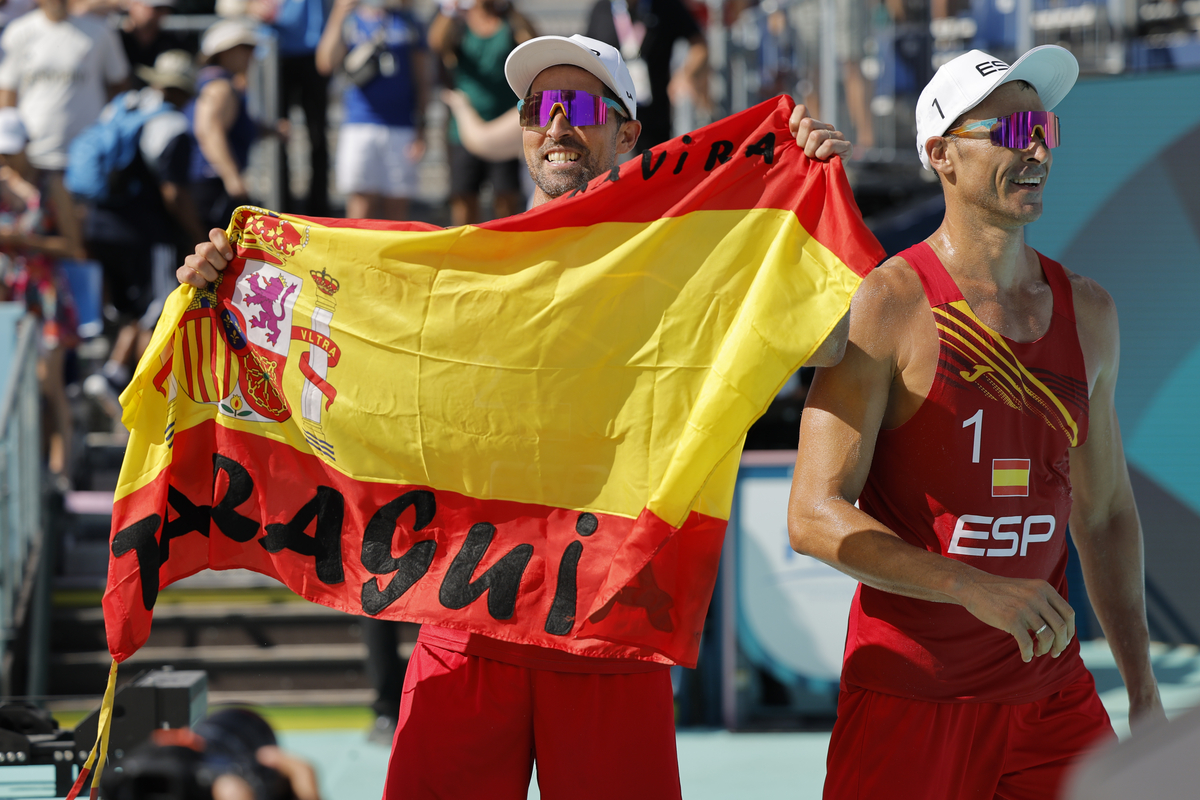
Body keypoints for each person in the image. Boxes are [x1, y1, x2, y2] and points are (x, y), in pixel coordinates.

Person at [177, 33, 853, 800]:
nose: (558, 125)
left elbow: (829, 345)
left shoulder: (691, 267)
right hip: (467, 617)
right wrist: (228, 283)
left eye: (583, 107)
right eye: (541, 107)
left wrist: (816, 191)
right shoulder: (458, 267)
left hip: (606, 629)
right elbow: (328, 334)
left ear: (628, 133)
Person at [786, 46, 1165, 799]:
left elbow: (1104, 513)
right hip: (910, 697)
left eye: (1043, 127)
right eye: (1011, 127)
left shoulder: (1089, 311)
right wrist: (972, 586)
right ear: (941, 155)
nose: (1034, 146)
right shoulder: (887, 304)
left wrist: (1144, 693)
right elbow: (811, 514)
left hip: (1050, 698)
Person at [80, 49, 205, 418]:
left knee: (134, 309)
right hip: (145, 233)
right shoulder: (173, 127)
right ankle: (143, 389)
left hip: (101, 226)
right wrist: (197, 233)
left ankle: (114, 373)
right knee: (159, 306)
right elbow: (173, 193)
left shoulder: (123, 106)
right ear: (181, 91)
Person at [0, 107, 84, 486]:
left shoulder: (51, 187)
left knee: (48, 386)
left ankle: (58, 477)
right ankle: (28, 478)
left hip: (45, 294)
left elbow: (74, 247)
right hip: (8, 296)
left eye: (10, 151)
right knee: (18, 389)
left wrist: (23, 241)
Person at [315, 0, 428, 221]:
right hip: (359, 123)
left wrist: (421, 127)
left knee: (397, 207)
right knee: (360, 205)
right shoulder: (350, 21)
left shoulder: (408, 22)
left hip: (401, 126)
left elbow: (423, 79)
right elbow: (325, 63)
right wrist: (339, 13)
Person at [428, 0, 535, 225]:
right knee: (464, 197)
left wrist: (510, 9)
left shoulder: (509, 23)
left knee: (506, 197)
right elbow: (436, 42)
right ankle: (465, 253)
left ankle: (504, 251)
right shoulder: (458, 26)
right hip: (463, 129)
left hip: (503, 130)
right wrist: (450, 9)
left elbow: (531, 43)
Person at [585, 0, 708, 152]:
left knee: (653, 167)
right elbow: (587, 54)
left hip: (656, 115)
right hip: (613, 111)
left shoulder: (667, 6)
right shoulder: (601, 9)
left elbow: (699, 44)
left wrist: (685, 74)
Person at [186, 17, 261, 233]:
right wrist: (232, 178)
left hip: (205, 182)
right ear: (225, 52)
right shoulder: (221, 87)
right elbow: (208, 130)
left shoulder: (213, 82)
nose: (252, 54)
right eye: (246, 47)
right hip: (211, 185)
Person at [121, 0, 190, 82]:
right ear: (134, 6)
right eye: (156, 8)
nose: (161, 13)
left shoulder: (172, 43)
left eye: (165, 9)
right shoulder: (117, 40)